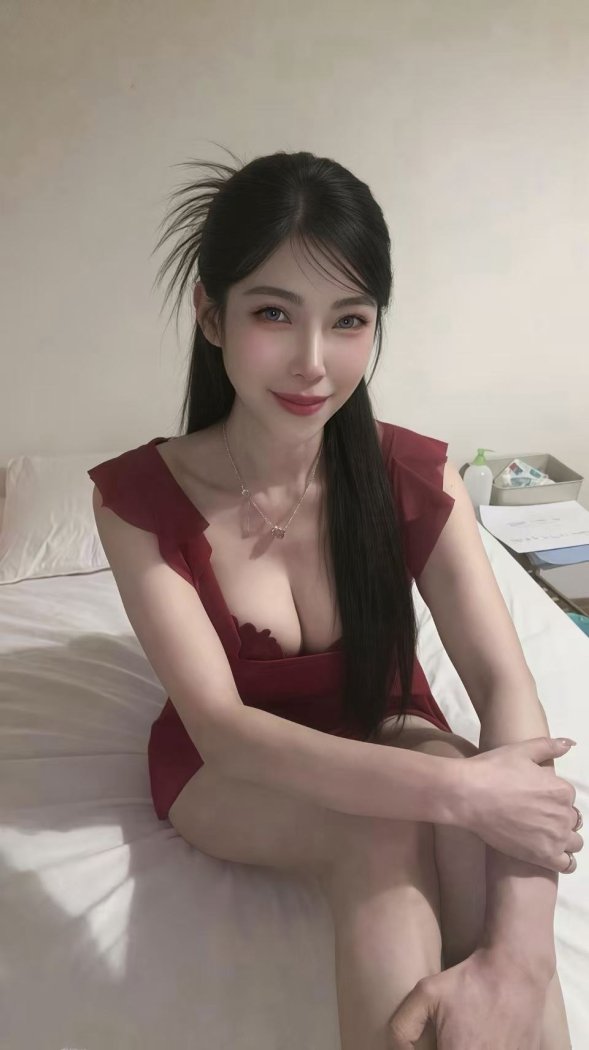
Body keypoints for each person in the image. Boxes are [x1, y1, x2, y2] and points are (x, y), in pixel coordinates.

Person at [89, 147, 582, 1050]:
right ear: (212, 316)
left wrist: (519, 956)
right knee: (384, 836)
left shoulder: (411, 474)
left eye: (348, 320)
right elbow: (223, 732)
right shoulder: (139, 500)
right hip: (230, 768)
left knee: (473, 851)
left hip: (387, 720)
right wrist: (459, 789)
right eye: (273, 313)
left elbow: (502, 687)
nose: (312, 363)